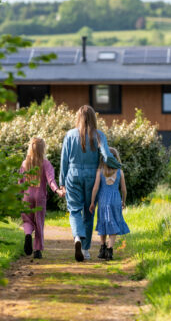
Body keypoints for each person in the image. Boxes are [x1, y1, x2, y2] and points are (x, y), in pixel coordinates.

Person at [59, 105, 121, 262]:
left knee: (74, 211)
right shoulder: (99, 135)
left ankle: (77, 238)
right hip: (91, 176)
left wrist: (62, 182)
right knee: (89, 211)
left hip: (72, 176)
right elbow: (106, 155)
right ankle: (85, 249)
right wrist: (117, 165)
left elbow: (64, 161)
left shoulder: (69, 135)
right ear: (94, 118)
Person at [19, 137, 64, 259]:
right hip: (40, 197)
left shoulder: (24, 163)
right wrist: (57, 190)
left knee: (27, 220)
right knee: (39, 222)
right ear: (42, 149)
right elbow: (51, 180)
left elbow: (20, 182)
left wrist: (18, 195)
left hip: (26, 197)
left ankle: (28, 234)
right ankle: (37, 250)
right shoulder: (45, 163)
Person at [89, 147, 130, 260]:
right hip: (116, 200)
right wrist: (123, 201)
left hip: (103, 200)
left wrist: (92, 202)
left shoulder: (100, 171)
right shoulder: (119, 171)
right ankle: (110, 250)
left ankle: (102, 248)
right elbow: (124, 189)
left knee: (103, 222)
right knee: (114, 223)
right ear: (116, 159)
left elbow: (95, 188)